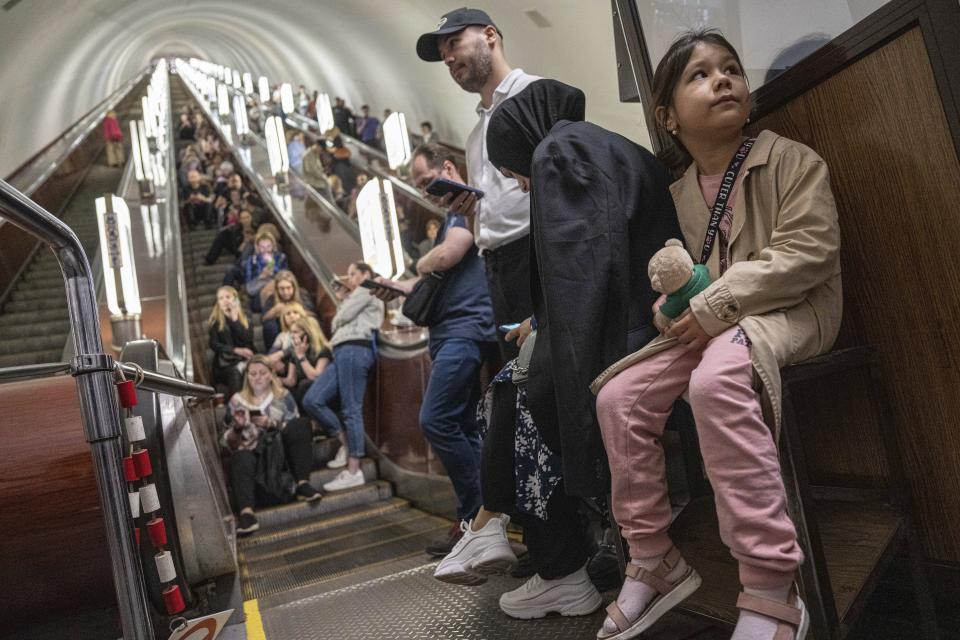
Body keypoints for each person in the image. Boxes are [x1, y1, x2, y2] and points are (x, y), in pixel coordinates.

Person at [592, 30, 841, 640]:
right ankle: (653, 558)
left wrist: (715, 304)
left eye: (730, 68)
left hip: (794, 311)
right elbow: (680, 280)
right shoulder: (674, 197)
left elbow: (809, 254)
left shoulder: (791, 160)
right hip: (716, 325)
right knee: (618, 398)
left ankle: (770, 581)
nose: (722, 79)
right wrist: (668, 312)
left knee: (716, 379)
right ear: (667, 117)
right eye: (699, 75)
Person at [475, 78, 685, 620]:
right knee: (525, 380)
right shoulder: (597, 141)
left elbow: (581, 274)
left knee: (523, 391)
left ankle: (553, 563)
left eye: (511, 172)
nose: (520, 185)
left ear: (523, 144)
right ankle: (504, 531)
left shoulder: (557, 153)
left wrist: (560, 357)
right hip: (645, 317)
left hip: (631, 334)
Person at [371, 143, 500, 562]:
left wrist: (422, 263)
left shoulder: (465, 209)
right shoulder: (450, 216)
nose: (426, 192)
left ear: (448, 168)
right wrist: (392, 285)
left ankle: (479, 514)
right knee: (461, 425)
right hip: (447, 332)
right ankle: (480, 518)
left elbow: (449, 254)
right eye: (419, 187)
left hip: (465, 332)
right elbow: (431, 278)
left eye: (427, 181)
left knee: (436, 418)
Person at [417, 7, 540, 360]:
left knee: (547, 376)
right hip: (496, 269)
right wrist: (468, 209)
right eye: (443, 56)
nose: (449, 58)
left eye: (454, 43)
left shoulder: (532, 95)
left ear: (489, 35)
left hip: (534, 258)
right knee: (520, 379)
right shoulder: (474, 138)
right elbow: (482, 225)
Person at [302, 262, 385, 492]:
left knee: (351, 408)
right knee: (313, 399)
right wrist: (344, 301)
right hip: (342, 351)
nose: (348, 279)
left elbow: (341, 319)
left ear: (365, 274)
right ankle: (346, 444)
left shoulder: (369, 287)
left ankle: (354, 470)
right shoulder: (357, 294)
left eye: (352, 274)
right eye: (347, 274)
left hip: (355, 348)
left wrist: (344, 304)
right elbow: (343, 318)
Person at [223, 355, 320, 536]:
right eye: (253, 374)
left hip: (281, 454)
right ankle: (247, 514)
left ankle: (302, 483)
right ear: (247, 377)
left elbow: (295, 430)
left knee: (301, 424)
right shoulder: (236, 400)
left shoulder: (283, 396)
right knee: (240, 455)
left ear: (270, 375)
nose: (257, 377)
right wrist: (237, 428)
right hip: (253, 454)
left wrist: (273, 424)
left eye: (262, 373)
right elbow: (228, 443)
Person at [208, 286, 256, 395]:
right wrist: (235, 350)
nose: (224, 300)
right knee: (235, 372)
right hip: (227, 362)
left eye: (228, 297)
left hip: (247, 357)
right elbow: (213, 344)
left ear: (235, 299)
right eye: (221, 298)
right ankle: (237, 406)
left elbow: (248, 339)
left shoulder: (246, 316)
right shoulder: (215, 321)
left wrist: (235, 319)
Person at [280, 316, 332, 410]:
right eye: (291, 332)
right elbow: (291, 380)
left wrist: (301, 356)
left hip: (320, 390)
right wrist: (274, 379)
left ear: (308, 333)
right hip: (302, 391)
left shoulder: (323, 350)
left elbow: (316, 377)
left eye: (295, 332)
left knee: (305, 384)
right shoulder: (294, 351)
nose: (292, 335)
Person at [262, 270, 314, 349]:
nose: (286, 292)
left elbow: (313, 314)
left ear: (294, 287)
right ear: (277, 289)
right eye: (282, 289)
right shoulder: (272, 299)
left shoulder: (302, 294)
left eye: (288, 288)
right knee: (269, 326)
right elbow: (264, 318)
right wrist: (275, 310)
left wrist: (295, 310)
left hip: (301, 324)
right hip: (281, 326)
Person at [243, 229, 288, 312]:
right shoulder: (252, 260)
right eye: (262, 247)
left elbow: (285, 276)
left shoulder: (281, 257)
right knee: (259, 302)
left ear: (273, 245)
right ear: (257, 247)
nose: (265, 250)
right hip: (258, 291)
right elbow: (248, 281)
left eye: (268, 246)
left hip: (277, 289)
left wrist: (272, 268)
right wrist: (260, 276)